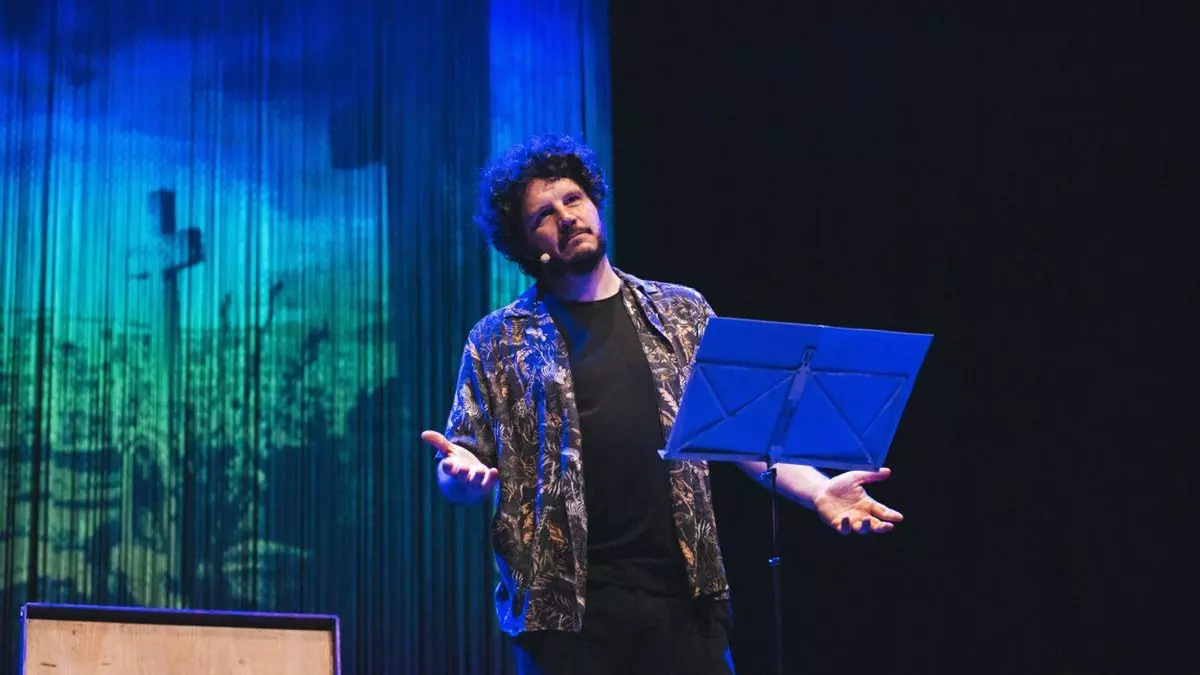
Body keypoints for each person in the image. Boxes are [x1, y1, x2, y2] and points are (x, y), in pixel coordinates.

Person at [421, 134, 904, 674]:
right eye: (544, 215)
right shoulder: (497, 339)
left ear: (595, 204)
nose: (566, 217)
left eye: (573, 199)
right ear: (527, 244)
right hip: (562, 616)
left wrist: (819, 491)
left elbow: (745, 437)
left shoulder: (681, 311)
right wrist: (459, 477)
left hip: (685, 598)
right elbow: (462, 462)